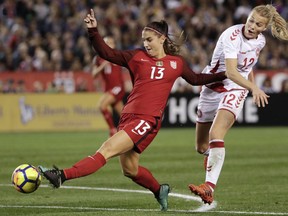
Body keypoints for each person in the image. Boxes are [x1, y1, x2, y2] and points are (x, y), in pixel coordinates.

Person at [38, 9, 226, 211]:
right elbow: (106, 53)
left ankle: (61, 176)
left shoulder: (177, 63)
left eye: (150, 39)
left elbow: (197, 79)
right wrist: (93, 31)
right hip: (128, 117)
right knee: (129, 169)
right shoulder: (136, 57)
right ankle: (159, 189)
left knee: (106, 150)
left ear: (162, 38)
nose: (146, 44)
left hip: (147, 120)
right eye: (144, 40)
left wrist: (226, 74)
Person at [188, 4, 288, 205]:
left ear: (264, 27)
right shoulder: (231, 35)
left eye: (258, 24)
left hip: (236, 86)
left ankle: (209, 187)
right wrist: (254, 87)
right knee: (201, 147)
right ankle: (212, 155)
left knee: (216, 134)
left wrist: (248, 88)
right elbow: (231, 71)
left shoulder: (260, 41)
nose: (252, 25)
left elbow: (244, 70)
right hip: (212, 84)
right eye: (251, 20)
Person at [91, 36, 126, 137]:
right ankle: (132, 130)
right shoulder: (98, 58)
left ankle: (112, 130)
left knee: (102, 106)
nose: (108, 44)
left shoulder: (117, 55)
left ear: (114, 45)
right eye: (106, 42)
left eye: (111, 42)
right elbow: (94, 74)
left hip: (118, 87)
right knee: (123, 114)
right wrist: (102, 65)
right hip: (108, 88)